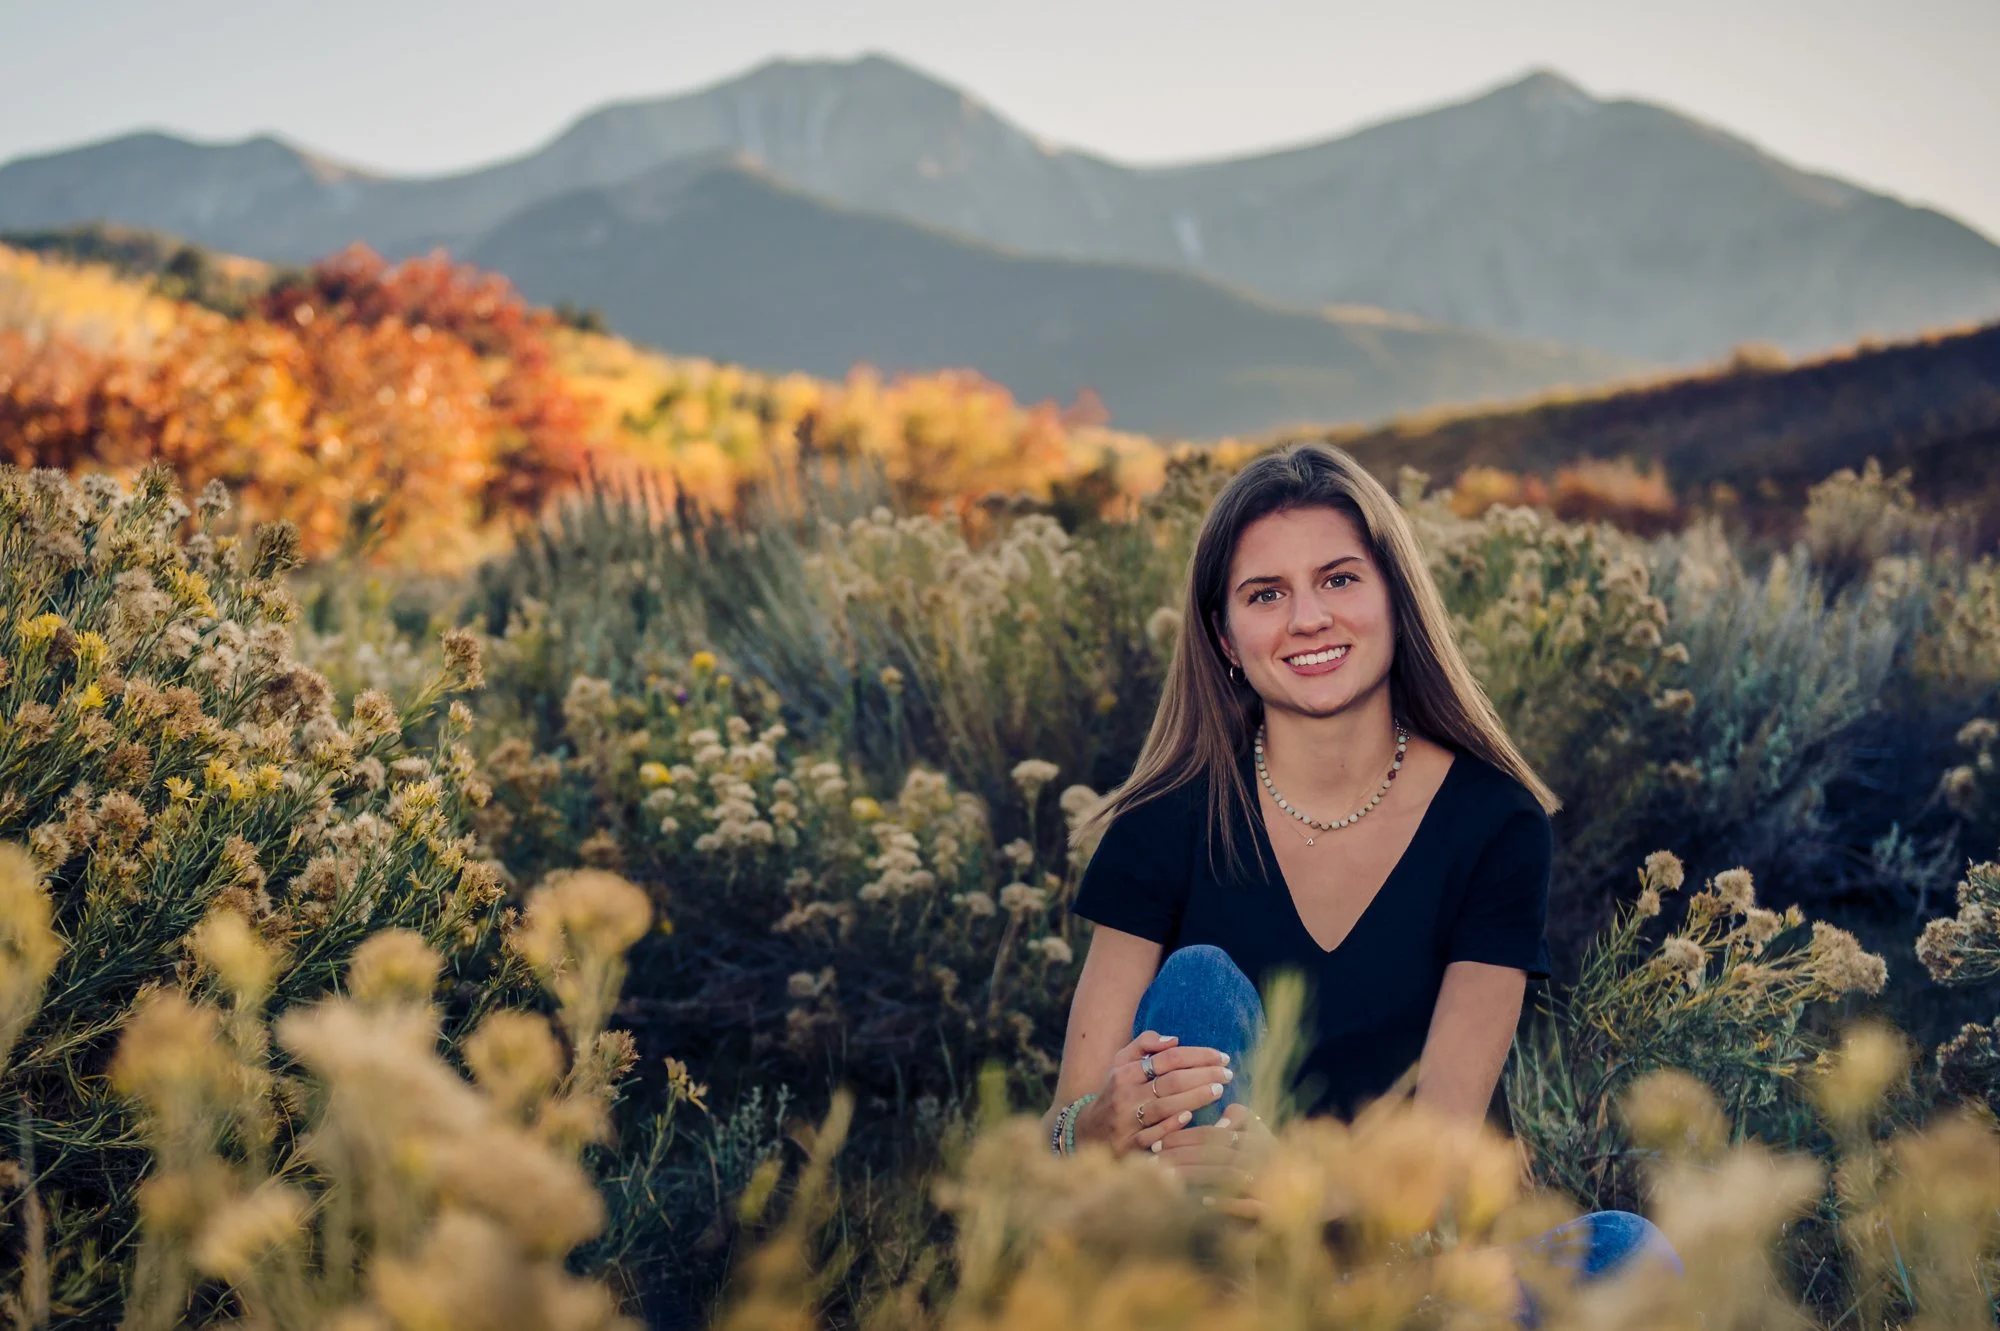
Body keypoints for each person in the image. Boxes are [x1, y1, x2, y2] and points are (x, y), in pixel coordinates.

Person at [1041, 442, 1679, 1321]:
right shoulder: (1163, 823)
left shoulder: (1492, 823)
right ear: (1225, 638)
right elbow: (1059, 1139)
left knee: (1631, 1252)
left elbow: (1445, 1150)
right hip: (1206, 1267)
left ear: (1394, 600)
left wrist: (1298, 1186)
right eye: (1266, 594)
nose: (1308, 618)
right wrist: (1099, 1124)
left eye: (1339, 579)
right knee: (1198, 984)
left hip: (1400, 1280)